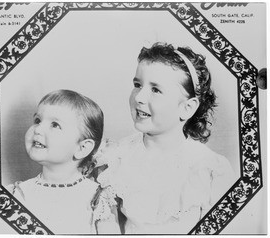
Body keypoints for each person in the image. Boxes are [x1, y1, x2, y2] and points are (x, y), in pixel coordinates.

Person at [97, 42, 236, 234]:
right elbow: (107, 223)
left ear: (187, 108)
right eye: (137, 85)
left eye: (155, 90)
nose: (139, 97)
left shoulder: (210, 168)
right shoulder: (116, 157)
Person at [6, 89, 120, 234]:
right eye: (37, 120)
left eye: (55, 125)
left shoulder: (98, 198)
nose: (38, 129)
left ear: (82, 148)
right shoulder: (18, 193)